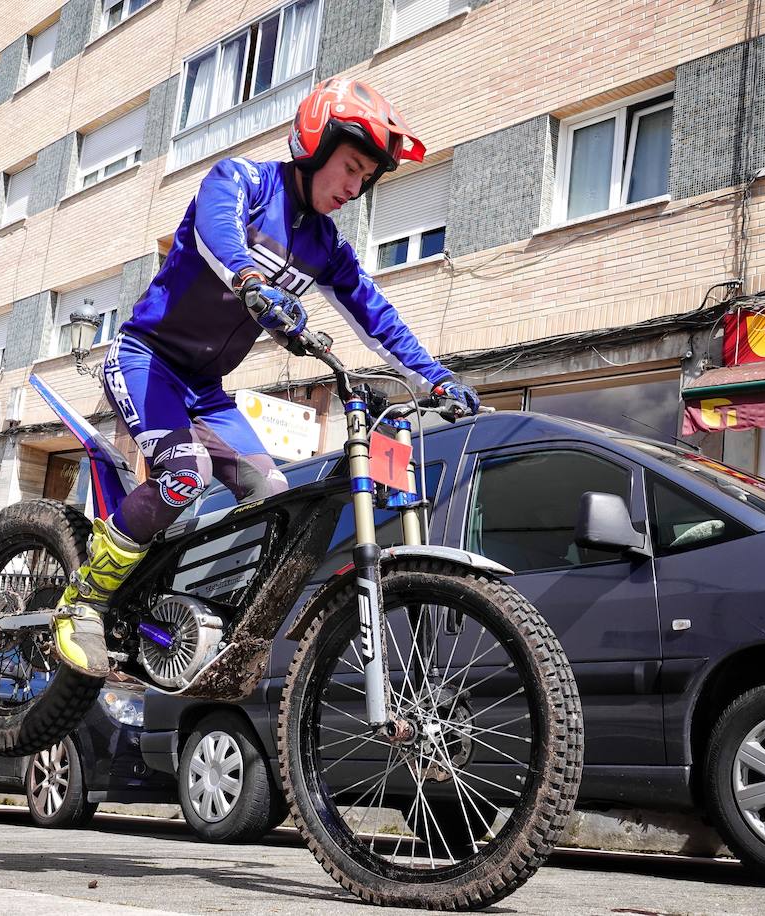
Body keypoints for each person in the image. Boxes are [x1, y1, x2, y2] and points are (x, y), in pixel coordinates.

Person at [53, 78, 480, 677]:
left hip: (206, 390)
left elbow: (375, 314)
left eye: (365, 178)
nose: (354, 188)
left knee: (273, 495)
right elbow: (216, 232)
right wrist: (250, 281)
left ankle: (193, 608)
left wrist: (435, 378)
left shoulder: (326, 246)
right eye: (350, 168)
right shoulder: (242, 181)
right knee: (186, 474)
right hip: (146, 360)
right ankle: (84, 601)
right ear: (315, 143)